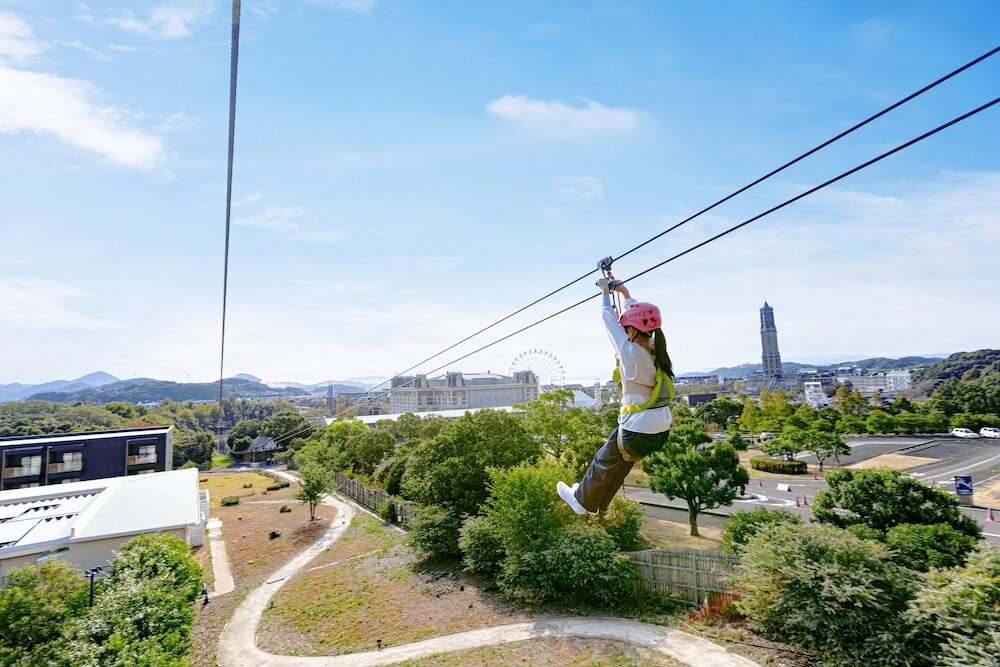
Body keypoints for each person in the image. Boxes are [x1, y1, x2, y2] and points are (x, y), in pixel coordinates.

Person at [557, 269, 674, 515]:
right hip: (660, 432)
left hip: (636, 430)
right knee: (621, 463)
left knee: (603, 461)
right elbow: (638, 318)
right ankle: (598, 504)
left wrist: (604, 293)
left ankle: (580, 501)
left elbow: (609, 320)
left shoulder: (630, 353)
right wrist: (624, 293)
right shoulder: (657, 351)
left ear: (630, 331)